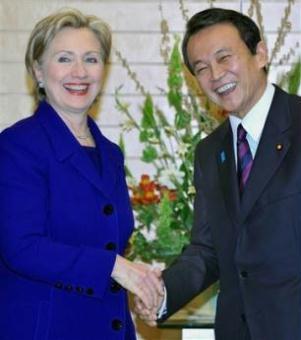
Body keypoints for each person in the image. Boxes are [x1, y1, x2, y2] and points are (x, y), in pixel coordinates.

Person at [135, 7, 301, 340]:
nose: (216, 74)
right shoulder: (210, 151)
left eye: (224, 57)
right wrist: (161, 291)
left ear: (260, 54)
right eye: (202, 68)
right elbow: (207, 250)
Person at [0, 8, 163, 340]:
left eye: (91, 59)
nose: (79, 72)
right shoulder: (16, 146)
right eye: (64, 59)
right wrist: (117, 267)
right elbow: (21, 247)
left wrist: (142, 286)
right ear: (38, 71)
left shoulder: (110, 154)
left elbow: (108, 243)